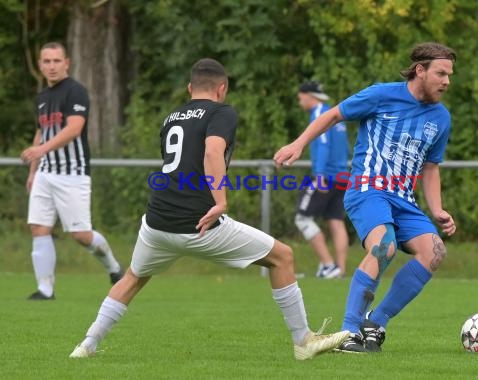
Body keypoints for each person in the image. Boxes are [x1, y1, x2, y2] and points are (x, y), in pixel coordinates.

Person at [69, 58, 349, 360]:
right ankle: (303, 341)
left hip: (157, 223)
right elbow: (212, 151)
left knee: (133, 278)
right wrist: (220, 202)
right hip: (199, 223)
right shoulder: (222, 111)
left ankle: (86, 345)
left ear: (190, 88)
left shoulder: (171, 117)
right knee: (283, 257)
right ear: (222, 88)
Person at [274, 42, 457, 353]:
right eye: (441, 73)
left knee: (435, 252)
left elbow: (430, 167)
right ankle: (349, 332)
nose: (447, 81)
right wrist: (299, 143)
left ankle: (376, 321)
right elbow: (333, 115)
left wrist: (437, 209)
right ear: (420, 70)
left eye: (450, 75)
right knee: (383, 246)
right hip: (367, 189)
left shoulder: (440, 118)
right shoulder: (381, 95)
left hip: (404, 200)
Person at [20, 42, 123, 300]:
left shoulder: (76, 92)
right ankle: (45, 290)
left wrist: (41, 150)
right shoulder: (42, 98)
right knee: (39, 228)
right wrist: (34, 171)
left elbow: (74, 128)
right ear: (40, 64)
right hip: (45, 172)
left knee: (81, 235)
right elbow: (41, 132)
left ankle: (113, 267)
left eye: (56, 61)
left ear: (67, 62)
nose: (51, 66)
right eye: (46, 61)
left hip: (72, 173)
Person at [296, 81, 350, 278]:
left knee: (302, 218)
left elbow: (324, 144)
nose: (299, 101)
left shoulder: (320, 114)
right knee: (335, 220)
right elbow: (345, 149)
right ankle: (340, 271)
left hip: (325, 175)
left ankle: (328, 265)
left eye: (300, 97)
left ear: (310, 96)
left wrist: (319, 175)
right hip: (342, 175)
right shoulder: (337, 116)